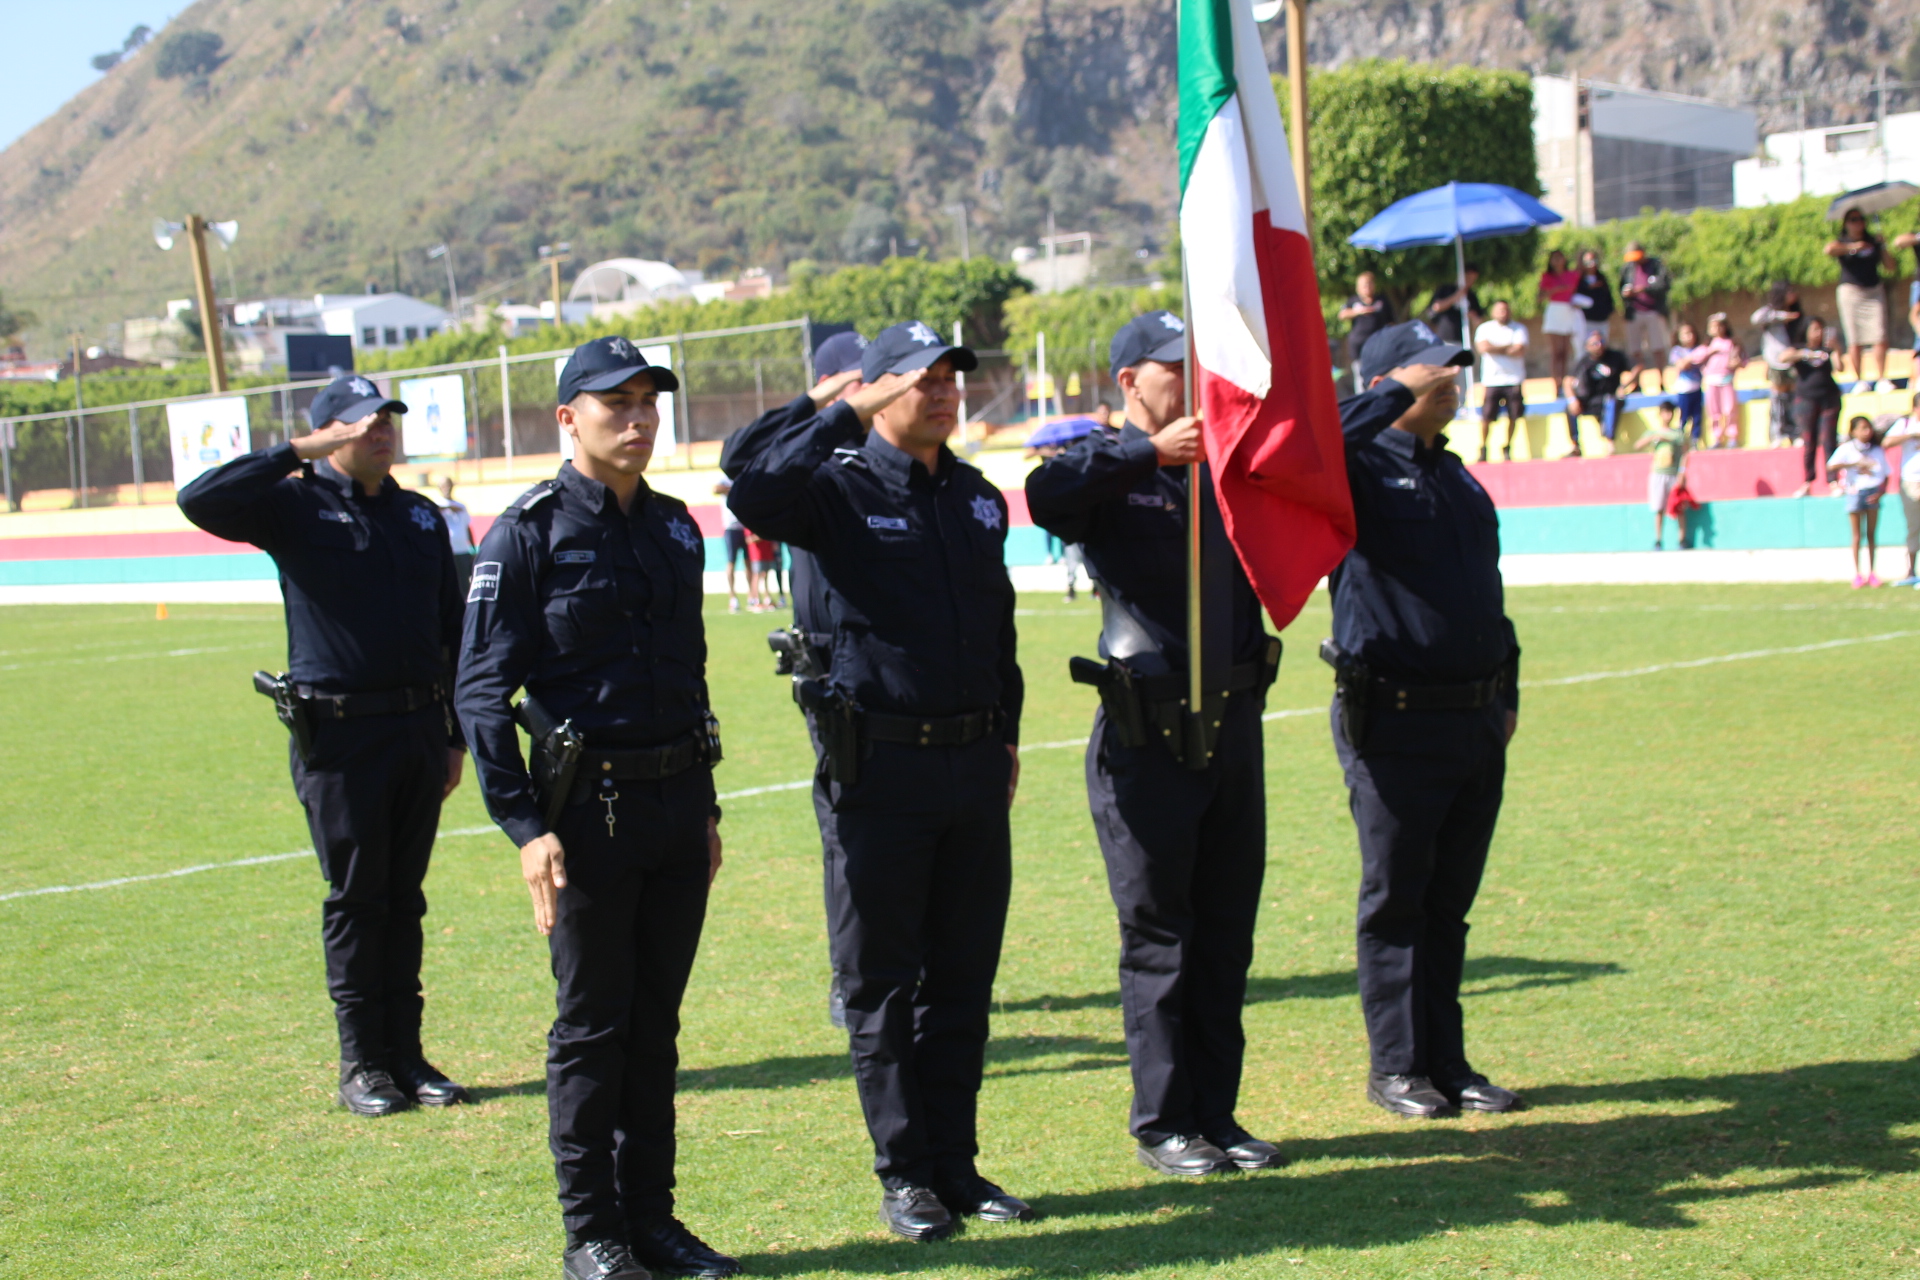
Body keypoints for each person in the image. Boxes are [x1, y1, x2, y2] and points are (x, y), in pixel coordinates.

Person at [728, 321, 1030, 1242]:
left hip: (974, 765)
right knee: (882, 985)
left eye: (952, 378)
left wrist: (1007, 737)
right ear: (876, 389)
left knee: (964, 982)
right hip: (880, 768)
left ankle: (957, 1166)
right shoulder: (832, 489)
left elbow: (997, 630)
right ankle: (906, 1175)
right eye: (921, 379)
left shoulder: (978, 499)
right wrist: (838, 408)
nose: (944, 392)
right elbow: (752, 484)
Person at [454, 338, 736, 1280]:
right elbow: (482, 691)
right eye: (614, 402)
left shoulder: (676, 527)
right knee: (591, 1026)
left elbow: (688, 678)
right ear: (568, 418)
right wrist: (524, 826)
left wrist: (706, 810)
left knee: (656, 1024)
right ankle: (594, 1234)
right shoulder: (527, 532)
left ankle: (651, 1218)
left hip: (672, 805)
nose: (638, 416)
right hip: (585, 817)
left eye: (648, 399)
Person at [1025, 310, 1284, 1181]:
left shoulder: (1224, 464)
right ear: (1131, 380)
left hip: (1231, 725)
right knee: (1161, 934)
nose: (1193, 377)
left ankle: (1219, 1110)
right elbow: (1048, 497)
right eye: (1176, 366)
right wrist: (1148, 452)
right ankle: (1166, 1120)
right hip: (1149, 731)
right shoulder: (1110, 466)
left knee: (1226, 930)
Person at [177, 375, 469, 1118]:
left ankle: (406, 1054)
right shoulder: (294, 505)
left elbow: (451, 633)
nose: (382, 431)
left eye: (388, 420)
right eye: (364, 422)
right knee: (357, 898)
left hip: (413, 731)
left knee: (404, 900)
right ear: (328, 434)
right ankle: (362, 1062)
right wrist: (295, 453)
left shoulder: (419, 517)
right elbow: (200, 499)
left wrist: (454, 737)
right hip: (339, 738)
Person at [1325, 321, 1524, 1119]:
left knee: (1448, 903)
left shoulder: (1458, 476)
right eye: (1431, 368)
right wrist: (1385, 400)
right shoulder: (1356, 468)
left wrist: (1507, 691)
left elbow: (1489, 595)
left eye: (1455, 369)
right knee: (1398, 898)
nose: (1451, 379)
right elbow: (1311, 439)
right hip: (1396, 721)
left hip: (1473, 720)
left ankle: (1449, 1059)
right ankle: (1398, 1068)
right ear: (1384, 383)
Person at [719, 328, 870, 1032]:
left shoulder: (888, 447)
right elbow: (739, 461)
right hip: (831, 671)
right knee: (847, 829)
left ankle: (906, 964)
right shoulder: (808, 450)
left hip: (894, 662)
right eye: (861, 378)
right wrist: (817, 403)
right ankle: (852, 975)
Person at [1828, 208, 1892, 391]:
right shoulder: (1843, 242)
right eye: (1853, 220)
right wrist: (1853, 247)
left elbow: (1890, 266)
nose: (1858, 223)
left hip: (1873, 290)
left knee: (1880, 334)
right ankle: (1859, 379)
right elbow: (1829, 249)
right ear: (1846, 224)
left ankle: (1881, 377)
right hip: (1851, 291)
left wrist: (1883, 246)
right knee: (1855, 338)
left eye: (1860, 219)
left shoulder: (1873, 240)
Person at [1781, 318, 1845, 498]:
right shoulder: (1799, 349)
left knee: (1829, 439)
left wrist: (1837, 349)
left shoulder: (1827, 350)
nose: (1819, 333)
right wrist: (1804, 354)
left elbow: (1840, 367)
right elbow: (1783, 358)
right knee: (1809, 441)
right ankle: (1808, 481)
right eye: (1815, 329)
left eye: (1821, 329)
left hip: (1829, 399)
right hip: (1806, 400)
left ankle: (1833, 480)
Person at [1828, 415, 1890, 587]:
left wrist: (1881, 492)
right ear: (1853, 431)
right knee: (1857, 535)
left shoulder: (1876, 450)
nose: (1866, 432)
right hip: (1855, 491)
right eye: (1862, 428)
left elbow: (1886, 473)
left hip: (1872, 492)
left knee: (1871, 534)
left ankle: (1872, 572)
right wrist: (1854, 464)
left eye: (1868, 428)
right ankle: (1857, 573)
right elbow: (1831, 465)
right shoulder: (1847, 449)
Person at [1472, 299, 1528, 462]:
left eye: (1506, 310)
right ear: (1493, 312)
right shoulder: (1485, 328)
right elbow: (1483, 348)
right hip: (1492, 380)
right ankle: (1483, 447)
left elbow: (1519, 350)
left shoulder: (1519, 328)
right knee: (1487, 417)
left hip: (1514, 379)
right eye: (1500, 310)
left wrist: (1495, 348)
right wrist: (1507, 347)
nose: (1503, 313)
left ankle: (1507, 446)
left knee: (1514, 415)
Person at [1751, 283, 1805, 447]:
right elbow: (1755, 318)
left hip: (1793, 361)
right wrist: (1781, 315)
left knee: (1793, 398)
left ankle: (1795, 432)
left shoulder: (1797, 313)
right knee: (1778, 399)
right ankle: (1778, 433)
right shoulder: (1770, 314)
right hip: (1776, 361)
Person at [1563, 329, 1631, 457]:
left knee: (1613, 402)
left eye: (1601, 342)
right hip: (1589, 400)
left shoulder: (1614, 357)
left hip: (1609, 397)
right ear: (1587, 346)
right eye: (1594, 343)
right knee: (1569, 408)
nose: (1598, 346)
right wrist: (1572, 400)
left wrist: (1625, 385)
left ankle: (1610, 442)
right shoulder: (1583, 361)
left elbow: (1635, 367)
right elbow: (1567, 381)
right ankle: (1575, 444)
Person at [1633, 398, 1690, 549]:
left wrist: (1682, 473)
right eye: (1665, 412)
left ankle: (1682, 539)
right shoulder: (1654, 433)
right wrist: (1653, 438)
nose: (1668, 416)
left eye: (1670, 412)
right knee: (1658, 508)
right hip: (1658, 474)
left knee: (1678, 508)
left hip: (1673, 474)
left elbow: (1685, 454)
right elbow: (1637, 445)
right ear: (1660, 414)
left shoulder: (1677, 434)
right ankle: (1658, 540)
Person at [1617, 242, 1671, 393]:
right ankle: (1637, 382)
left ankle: (1661, 381)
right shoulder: (1627, 268)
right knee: (1635, 350)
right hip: (1634, 313)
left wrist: (1645, 289)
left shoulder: (1656, 265)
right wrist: (1627, 294)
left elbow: (1664, 285)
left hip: (1653, 311)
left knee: (1657, 348)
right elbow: (1620, 287)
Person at [1879, 393, 1920, 586]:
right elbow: (1887, 442)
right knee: (1914, 526)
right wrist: (1912, 435)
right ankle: (1911, 571)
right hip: (1911, 481)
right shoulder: (1905, 425)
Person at [1339, 272, 1395, 388]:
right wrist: (1357, 311)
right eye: (1364, 285)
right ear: (1358, 287)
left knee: (1380, 374)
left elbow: (1391, 321)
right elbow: (1342, 315)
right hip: (1359, 346)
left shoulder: (1381, 300)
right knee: (1360, 376)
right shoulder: (1354, 301)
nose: (1368, 287)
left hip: (1378, 345)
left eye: (1370, 284)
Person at [424, 474, 478, 594]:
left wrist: (472, 548)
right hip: (445, 552)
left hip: (462, 550)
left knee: (465, 584)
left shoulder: (461, 506)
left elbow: (467, 527)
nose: (447, 488)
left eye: (449, 485)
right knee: (447, 584)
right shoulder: (434, 506)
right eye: (444, 485)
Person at [1537, 248, 1581, 387]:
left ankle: (1564, 381)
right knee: (1556, 352)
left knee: (1565, 351)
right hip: (1554, 310)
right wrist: (1555, 290)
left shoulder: (1572, 274)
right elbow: (1539, 297)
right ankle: (1556, 383)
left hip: (1568, 310)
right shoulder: (1547, 276)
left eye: (1560, 257)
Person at [1701, 314, 1746, 449]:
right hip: (1711, 381)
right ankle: (1717, 437)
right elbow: (1698, 359)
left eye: (1719, 325)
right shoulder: (1707, 345)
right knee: (1714, 411)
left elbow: (1742, 361)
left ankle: (1732, 436)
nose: (1716, 329)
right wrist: (1710, 352)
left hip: (1726, 380)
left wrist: (1737, 363)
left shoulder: (1732, 343)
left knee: (1730, 409)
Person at [1423, 266, 1482, 347]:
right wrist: (1456, 297)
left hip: (1463, 339)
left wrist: (1472, 317)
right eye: (1468, 277)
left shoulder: (1472, 296)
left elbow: (1479, 319)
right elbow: (1436, 307)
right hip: (1444, 338)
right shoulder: (1446, 289)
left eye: (1473, 279)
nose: (1470, 281)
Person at [1668, 322, 1706, 444]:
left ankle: (1695, 439)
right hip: (1684, 389)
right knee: (1683, 416)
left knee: (1697, 416)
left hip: (1697, 388)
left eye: (1690, 333)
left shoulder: (1699, 349)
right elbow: (1681, 365)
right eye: (1685, 334)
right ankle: (1681, 439)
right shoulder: (1677, 351)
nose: (1689, 336)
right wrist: (1692, 358)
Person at [716, 479, 750, 613]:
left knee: (749, 562)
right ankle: (732, 597)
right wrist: (734, 488)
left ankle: (752, 595)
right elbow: (716, 489)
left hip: (745, 527)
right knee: (731, 562)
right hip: (731, 527)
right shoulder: (724, 478)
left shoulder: (743, 476)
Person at [1571, 249, 1614, 352]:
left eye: (1594, 261)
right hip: (1585, 322)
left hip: (1602, 321)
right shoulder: (1578, 281)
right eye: (1588, 262)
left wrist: (1606, 311)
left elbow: (1608, 299)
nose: (1591, 265)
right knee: (1585, 351)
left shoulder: (1602, 279)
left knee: (1602, 349)